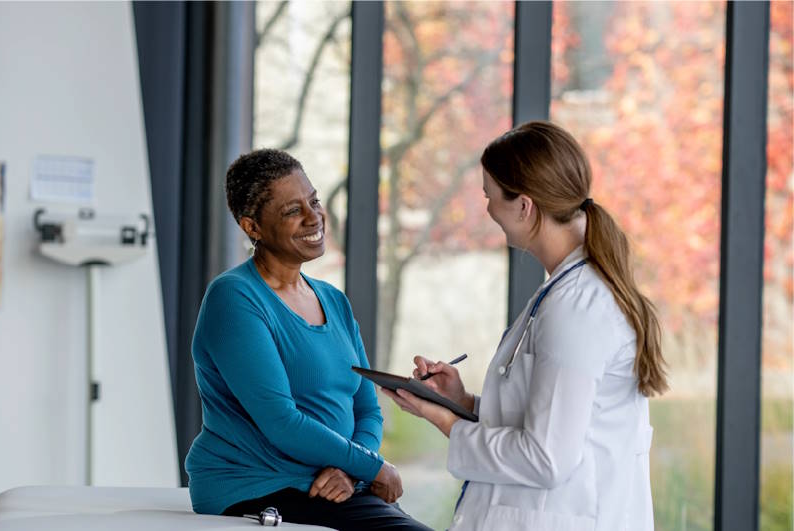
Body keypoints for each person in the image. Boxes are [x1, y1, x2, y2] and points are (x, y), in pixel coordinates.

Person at [383, 121, 668, 531]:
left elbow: (545, 458)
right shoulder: (565, 291)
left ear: (524, 206)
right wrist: (462, 402)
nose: (488, 210)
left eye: (490, 196)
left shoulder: (576, 308)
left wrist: (446, 422)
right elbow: (548, 417)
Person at [185, 149, 430, 531]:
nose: (313, 216)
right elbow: (281, 421)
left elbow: (367, 409)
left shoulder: (334, 300)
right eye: (292, 210)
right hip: (261, 487)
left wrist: (352, 470)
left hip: (334, 486)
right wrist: (373, 467)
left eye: (313, 201)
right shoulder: (234, 298)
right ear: (253, 227)